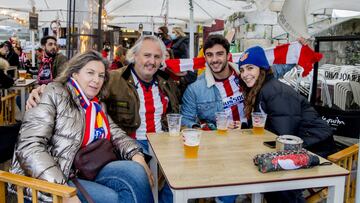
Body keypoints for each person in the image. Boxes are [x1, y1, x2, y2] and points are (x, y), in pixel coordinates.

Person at [9, 50, 154, 203]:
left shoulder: (96, 105)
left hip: (87, 168)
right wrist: (63, 191)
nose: (96, 80)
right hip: (51, 176)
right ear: (74, 73)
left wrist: (136, 155)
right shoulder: (53, 93)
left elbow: (115, 133)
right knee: (113, 198)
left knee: (137, 172)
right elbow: (29, 146)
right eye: (90, 73)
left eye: (101, 75)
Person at [238, 45, 334, 203]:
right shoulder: (261, 89)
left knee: (276, 182)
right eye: (242, 70)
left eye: (250, 68)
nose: (245, 74)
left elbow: (284, 135)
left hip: (316, 144)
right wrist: (244, 128)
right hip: (300, 141)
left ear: (262, 68)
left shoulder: (274, 91)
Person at [181, 34, 295, 130]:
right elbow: (185, 119)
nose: (214, 60)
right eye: (210, 55)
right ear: (205, 58)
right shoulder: (195, 89)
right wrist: (207, 128)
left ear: (228, 56)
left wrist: (298, 49)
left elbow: (276, 70)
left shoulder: (246, 75)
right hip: (219, 142)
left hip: (251, 134)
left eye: (219, 54)